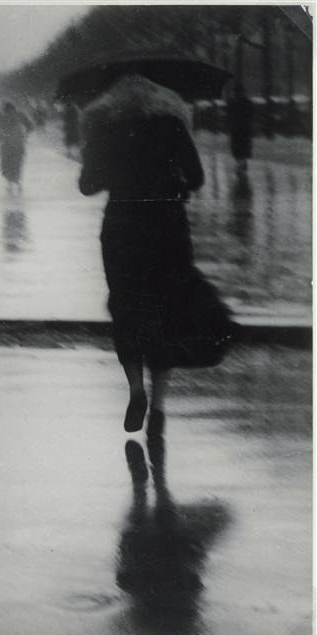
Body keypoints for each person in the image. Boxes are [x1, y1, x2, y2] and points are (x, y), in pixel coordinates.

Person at [78, 75, 233, 437]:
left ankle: (136, 390)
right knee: (166, 309)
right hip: (167, 227)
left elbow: (87, 186)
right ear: (158, 97)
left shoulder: (106, 128)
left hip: (122, 228)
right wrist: (173, 178)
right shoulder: (172, 124)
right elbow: (196, 179)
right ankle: (160, 406)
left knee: (126, 306)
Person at [0, 101, 32, 193]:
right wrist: (26, 134)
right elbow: (30, 126)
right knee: (16, 164)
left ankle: (10, 184)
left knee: (7, 164)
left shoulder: (3, 117)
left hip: (7, 145)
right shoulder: (19, 115)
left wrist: (0, 138)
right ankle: (18, 183)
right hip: (18, 144)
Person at [228, 83, 253, 175]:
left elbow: (230, 116)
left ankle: (240, 164)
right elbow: (251, 115)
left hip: (237, 129)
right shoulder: (247, 102)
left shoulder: (233, 102)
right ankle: (242, 163)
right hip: (245, 129)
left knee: (238, 148)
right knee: (243, 148)